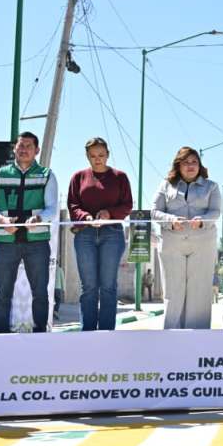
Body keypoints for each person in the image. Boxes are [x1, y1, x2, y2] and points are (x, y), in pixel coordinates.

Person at [0, 131, 59, 334]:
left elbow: (52, 208)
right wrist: (0, 220)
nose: (24, 149)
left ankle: (41, 333)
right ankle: (0, 333)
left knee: (40, 293)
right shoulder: (0, 174)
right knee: (2, 293)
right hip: (6, 241)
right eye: (20, 145)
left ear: (37, 150)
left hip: (37, 242)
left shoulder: (47, 175)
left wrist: (39, 219)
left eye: (28, 146)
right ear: (14, 149)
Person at [68, 137, 133, 332]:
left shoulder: (120, 177)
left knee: (108, 286)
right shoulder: (78, 177)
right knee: (88, 287)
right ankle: (87, 333)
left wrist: (109, 214)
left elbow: (128, 205)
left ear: (108, 155)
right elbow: (73, 205)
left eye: (101, 155)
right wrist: (85, 217)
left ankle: (106, 333)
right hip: (85, 234)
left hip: (112, 234)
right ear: (87, 156)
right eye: (93, 156)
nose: (98, 159)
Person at [152, 146, 221, 330]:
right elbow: (154, 211)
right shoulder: (166, 185)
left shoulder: (211, 186)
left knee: (199, 292)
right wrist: (170, 220)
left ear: (200, 165)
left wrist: (203, 220)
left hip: (203, 244)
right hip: (172, 244)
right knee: (173, 292)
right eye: (186, 162)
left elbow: (215, 212)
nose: (191, 166)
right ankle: (171, 338)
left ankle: (198, 339)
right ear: (178, 165)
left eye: (194, 162)